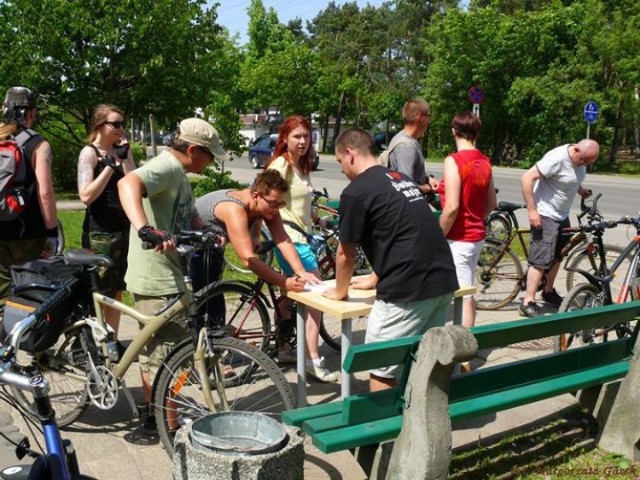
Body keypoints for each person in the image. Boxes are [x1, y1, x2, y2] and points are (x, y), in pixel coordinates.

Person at [323, 128, 459, 392]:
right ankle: (418, 423)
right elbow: (401, 233)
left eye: (340, 161)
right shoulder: (401, 180)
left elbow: (344, 253)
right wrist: (375, 276)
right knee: (424, 363)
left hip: (407, 289)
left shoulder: (356, 192)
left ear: (350, 154)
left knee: (382, 368)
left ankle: (383, 431)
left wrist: (340, 292)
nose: (341, 170)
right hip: (442, 281)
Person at [117, 117, 231, 428]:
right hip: (155, 276)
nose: (210, 162)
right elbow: (127, 184)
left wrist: (206, 231)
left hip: (172, 273)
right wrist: (146, 229)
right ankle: (164, 421)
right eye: (209, 155)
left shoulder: (179, 174)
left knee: (171, 351)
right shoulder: (166, 167)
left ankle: (162, 413)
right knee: (164, 355)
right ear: (193, 150)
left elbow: (188, 214)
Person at [264, 115, 337, 382]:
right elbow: (260, 196)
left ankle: (283, 344)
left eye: (306, 136)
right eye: (297, 136)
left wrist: (319, 219)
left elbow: (299, 204)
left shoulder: (302, 165)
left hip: (302, 234)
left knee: (291, 293)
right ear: (284, 138)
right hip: (290, 239)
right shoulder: (281, 165)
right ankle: (311, 359)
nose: (303, 141)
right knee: (314, 296)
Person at [519, 139, 599, 317]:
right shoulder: (556, 158)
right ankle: (527, 302)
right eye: (584, 161)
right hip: (545, 214)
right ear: (576, 150)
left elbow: (570, 178)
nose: (584, 164)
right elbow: (526, 178)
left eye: (589, 163)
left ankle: (547, 291)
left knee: (559, 255)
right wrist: (532, 211)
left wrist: (581, 190)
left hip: (561, 215)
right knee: (540, 260)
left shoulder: (580, 159)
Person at [77, 104, 136, 339]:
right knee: (99, 290)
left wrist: (124, 158)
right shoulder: (89, 153)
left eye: (123, 124)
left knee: (117, 288)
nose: (121, 129)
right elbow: (85, 196)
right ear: (100, 126)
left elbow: (135, 185)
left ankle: (111, 340)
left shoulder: (123, 150)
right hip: (100, 233)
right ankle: (91, 342)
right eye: (116, 124)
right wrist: (110, 167)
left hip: (124, 228)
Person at [0, 87, 58, 315]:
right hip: (28, 234)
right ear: (32, 113)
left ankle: (5, 347)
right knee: (29, 298)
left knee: (3, 298)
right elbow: (45, 193)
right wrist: (52, 232)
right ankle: (32, 347)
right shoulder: (38, 144)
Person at [438, 112, 497, 331]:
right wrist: (475, 218)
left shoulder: (454, 160)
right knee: (467, 286)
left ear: (454, 131)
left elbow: (452, 207)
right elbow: (491, 203)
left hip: (458, 238)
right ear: (477, 133)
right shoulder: (484, 161)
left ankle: (464, 351)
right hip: (476, 237)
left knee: (464, 295)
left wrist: (437, 235)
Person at [387, 99, 439, 195]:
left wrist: (428, 179)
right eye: (428, 116)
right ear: (419, 116)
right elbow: (405, 185)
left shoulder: (403, 138)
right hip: (406, 207)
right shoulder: (406, 147)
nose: (429, 120)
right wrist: (427, 188)